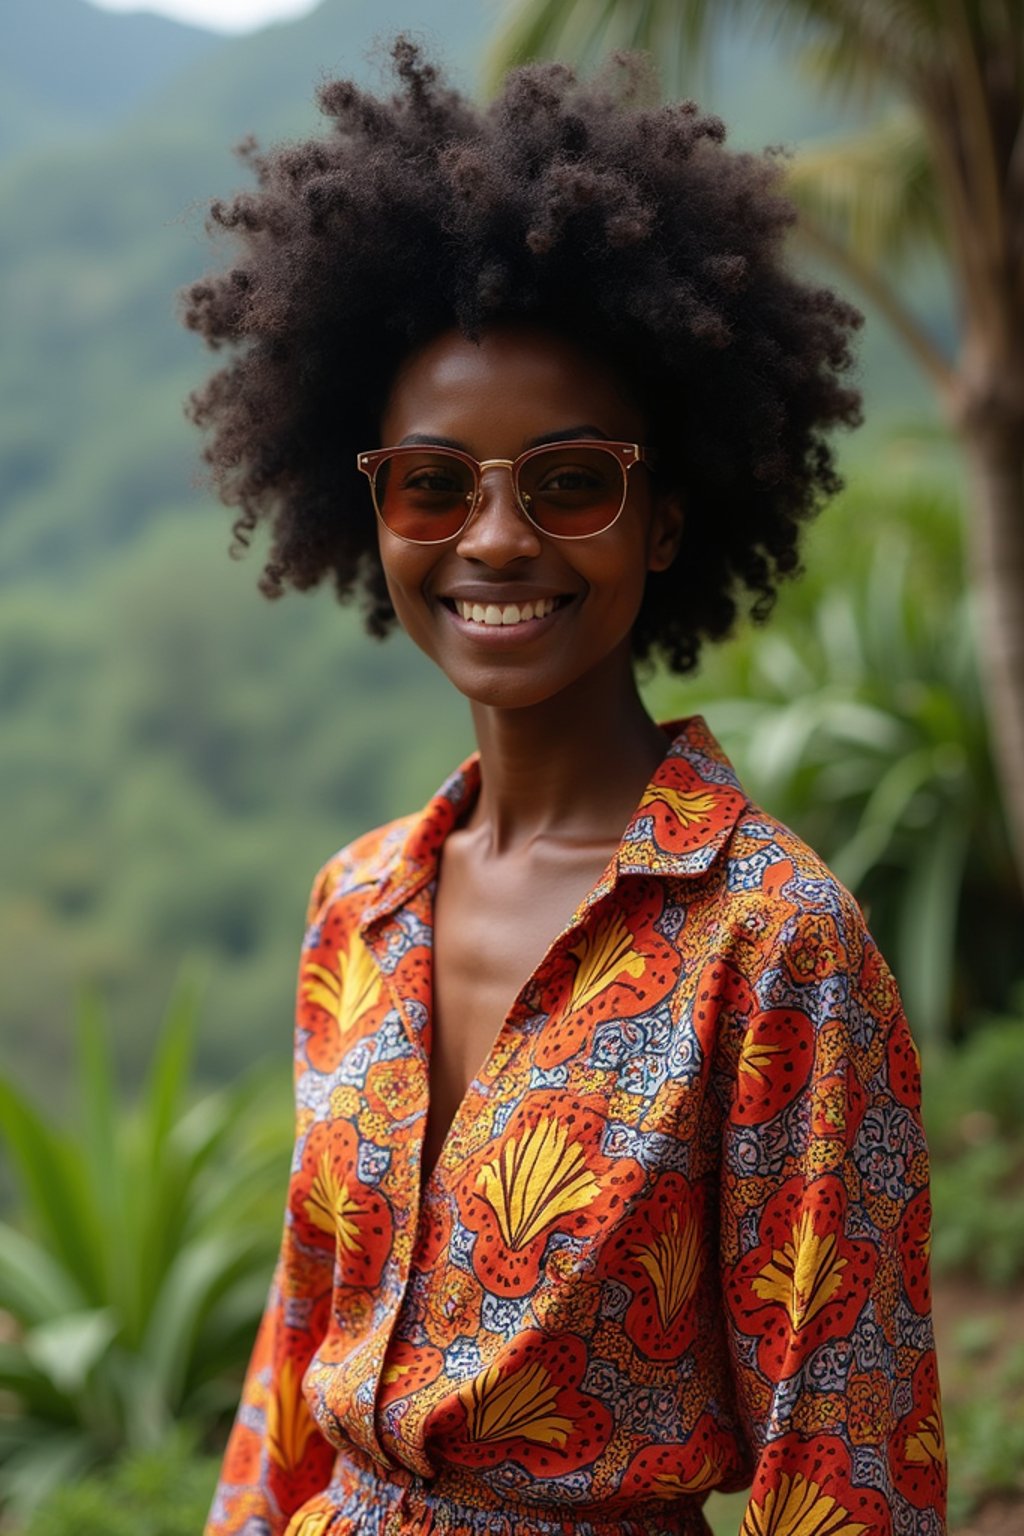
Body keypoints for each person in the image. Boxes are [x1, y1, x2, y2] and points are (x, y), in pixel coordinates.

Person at [184, 38, 946, 1536]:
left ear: (663, 519)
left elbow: (846, 1449)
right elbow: (296, 1363)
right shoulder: (359, 907)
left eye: (572, 481)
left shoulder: (778, 949)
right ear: (374, 513)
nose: (495, 539)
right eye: (432, 482)